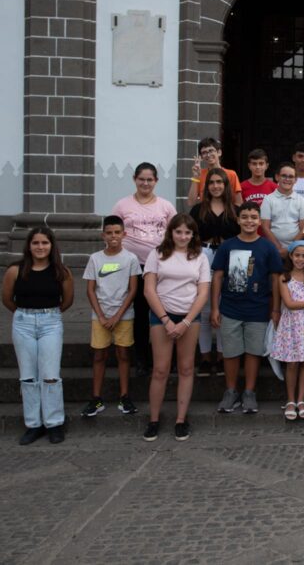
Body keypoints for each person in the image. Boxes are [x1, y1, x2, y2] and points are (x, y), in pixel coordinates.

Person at [1, 227, 74, 445]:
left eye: (44, 243)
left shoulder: (62, 272)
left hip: (50, 322)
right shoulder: (15, 270)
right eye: (36, 243)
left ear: (52, 246)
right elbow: (7, 299)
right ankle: (33, 424)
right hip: (23, 322)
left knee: (50, 374)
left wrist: (47, 314)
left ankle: (54, 423)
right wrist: (26, 314)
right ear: (29, 246)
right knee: (28, 376)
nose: (40, 247)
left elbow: (67, 301)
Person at [142, 214, 211, 442]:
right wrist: (166, 319)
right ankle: (153, 419)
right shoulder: (157, 253)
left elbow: (203, 292)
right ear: (171, 232)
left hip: (189, 317)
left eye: (187, 232)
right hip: (162, 316)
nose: (183, 236)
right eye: (179, 231)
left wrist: (186, 321)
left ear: (193, 235)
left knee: (186, 368)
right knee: (160, 370)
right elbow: (149, 289)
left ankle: (181, 419)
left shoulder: (200, 257)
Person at [210, 201, 283, 414]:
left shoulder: (267, 247)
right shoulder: (227, 246)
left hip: (258, 309)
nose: (249, 221)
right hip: (230, 308)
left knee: (253, 351)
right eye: (245, 217)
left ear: (260, 221)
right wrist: (215, 307)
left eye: (253, 217)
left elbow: (275, 279)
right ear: (238, 220)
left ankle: (249, 392)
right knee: (231, 352)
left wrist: (276, 308)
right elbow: (217, 276)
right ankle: (231, 391)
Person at [111, 162, 176, 377]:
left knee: (165, 310)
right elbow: (114, 233)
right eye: (142, 179)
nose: (146, 183)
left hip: (160, 267)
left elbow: (176, 233)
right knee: (139, 313)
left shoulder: (166, 206)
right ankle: (141, 358)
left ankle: (168, 358)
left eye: (150, 179)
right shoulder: (122, 205)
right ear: (135, 179)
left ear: (156, 181)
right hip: (134, 267)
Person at [80, 216, 141, 418]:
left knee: (124, 354)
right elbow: (90, 290)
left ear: (124, 234)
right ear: (103, 235)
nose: (113, 236)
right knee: (99, 355)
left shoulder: (130, 259)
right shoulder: (95, 258)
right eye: (109, 233)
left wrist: (117, 315)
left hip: (123, 316)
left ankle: (125, 396)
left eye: (117, 232)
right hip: (100, 316)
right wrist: (101, 315)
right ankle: (96, 398)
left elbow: (132, 290)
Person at [189, 168, 241, 377]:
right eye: (212, 182)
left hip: (232, 257)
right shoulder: (198, 210)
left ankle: (221, 355)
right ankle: (204, 357)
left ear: (226, 185)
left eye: (220, 182)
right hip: (204, 254)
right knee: (203, 307)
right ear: (206, 186)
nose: (216, 186)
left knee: (224, 307)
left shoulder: (235, 209)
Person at [271, 240, 304, 421]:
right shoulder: (284, 278)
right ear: (291, 256)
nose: (300, 259)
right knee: (292, 363)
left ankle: (301, 399)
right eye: (297, 255)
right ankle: (291, 399)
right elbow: (290, 304)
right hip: (291, 326)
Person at [260, 162, 304, 258]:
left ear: (296, 180)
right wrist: (278, 248)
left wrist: (290, 248)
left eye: (291, 177)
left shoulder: (301, 200)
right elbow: (265, 227)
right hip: (272, 248)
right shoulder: (268, 199)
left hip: (295, 250)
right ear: (277, 177)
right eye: (284, 176)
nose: (287, 179)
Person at [187, 137, 243, 208]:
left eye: (211, 151)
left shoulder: (231, 174)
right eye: (204, 152)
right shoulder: (200, 174)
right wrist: (196, 177)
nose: (208, 155)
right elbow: (191, 202)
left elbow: (239, 203)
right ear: (201, 157)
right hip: (205, 215)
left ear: (219, 152)